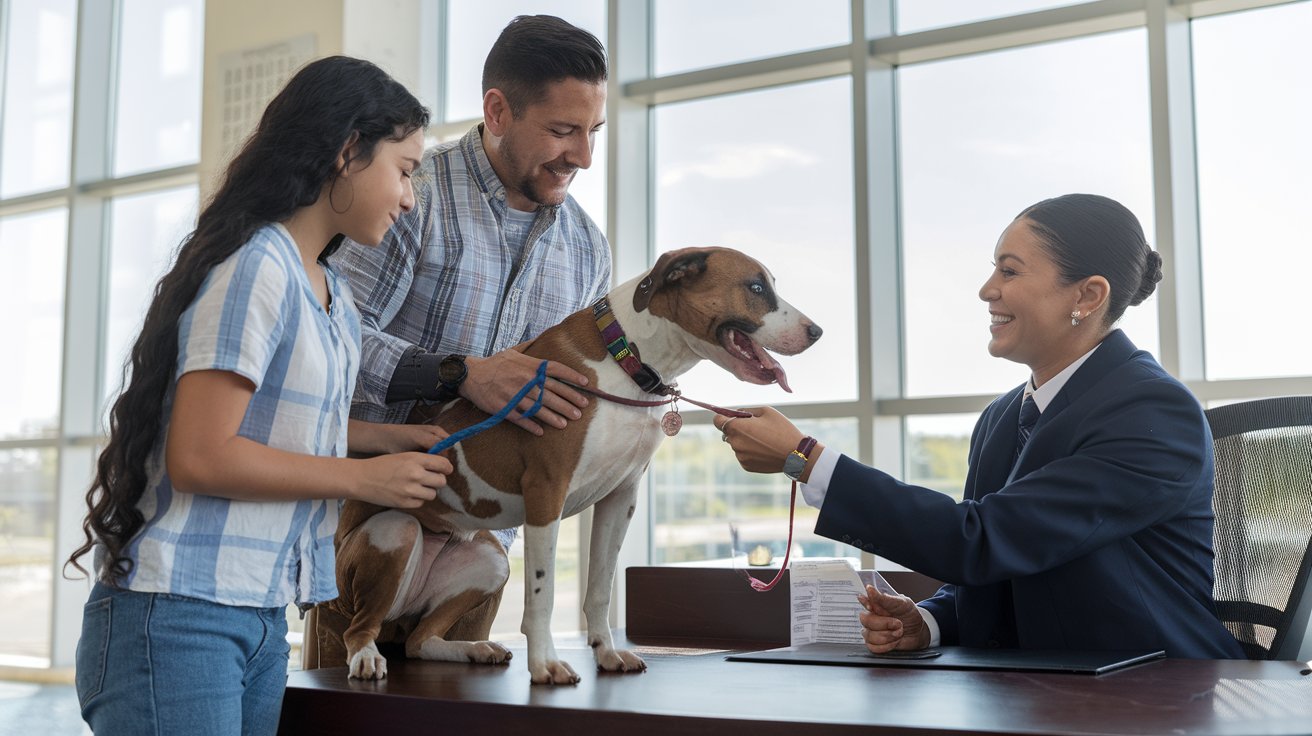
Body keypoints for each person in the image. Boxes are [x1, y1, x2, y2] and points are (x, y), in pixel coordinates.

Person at [65, 56, 454, 735]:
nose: (410, 197)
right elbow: (202, 456)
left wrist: (390, 439)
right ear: (347, 152)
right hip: (179, 615)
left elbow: (285, 424)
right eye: (405, 169)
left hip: (259, 611)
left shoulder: (331, 292)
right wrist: (368, 478)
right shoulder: (256, 267)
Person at [717, 193, 1245, 659]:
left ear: (1086, 296)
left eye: (1010, 272)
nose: (986, 290)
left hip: (1154, 694)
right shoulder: (1002, 416)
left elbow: (985, 539)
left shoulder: (1152, 410)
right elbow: (1004, 562)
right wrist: (928, 621)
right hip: (1039, 691)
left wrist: (806, 459)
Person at [324, 14, 611, 638]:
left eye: (593, 132)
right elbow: (331, 338)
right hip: (368, 528)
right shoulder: (407, 196)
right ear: (498, 110)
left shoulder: (589, 249)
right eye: (563, 131)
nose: (583, 157)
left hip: (479, 557)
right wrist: (461, 375)